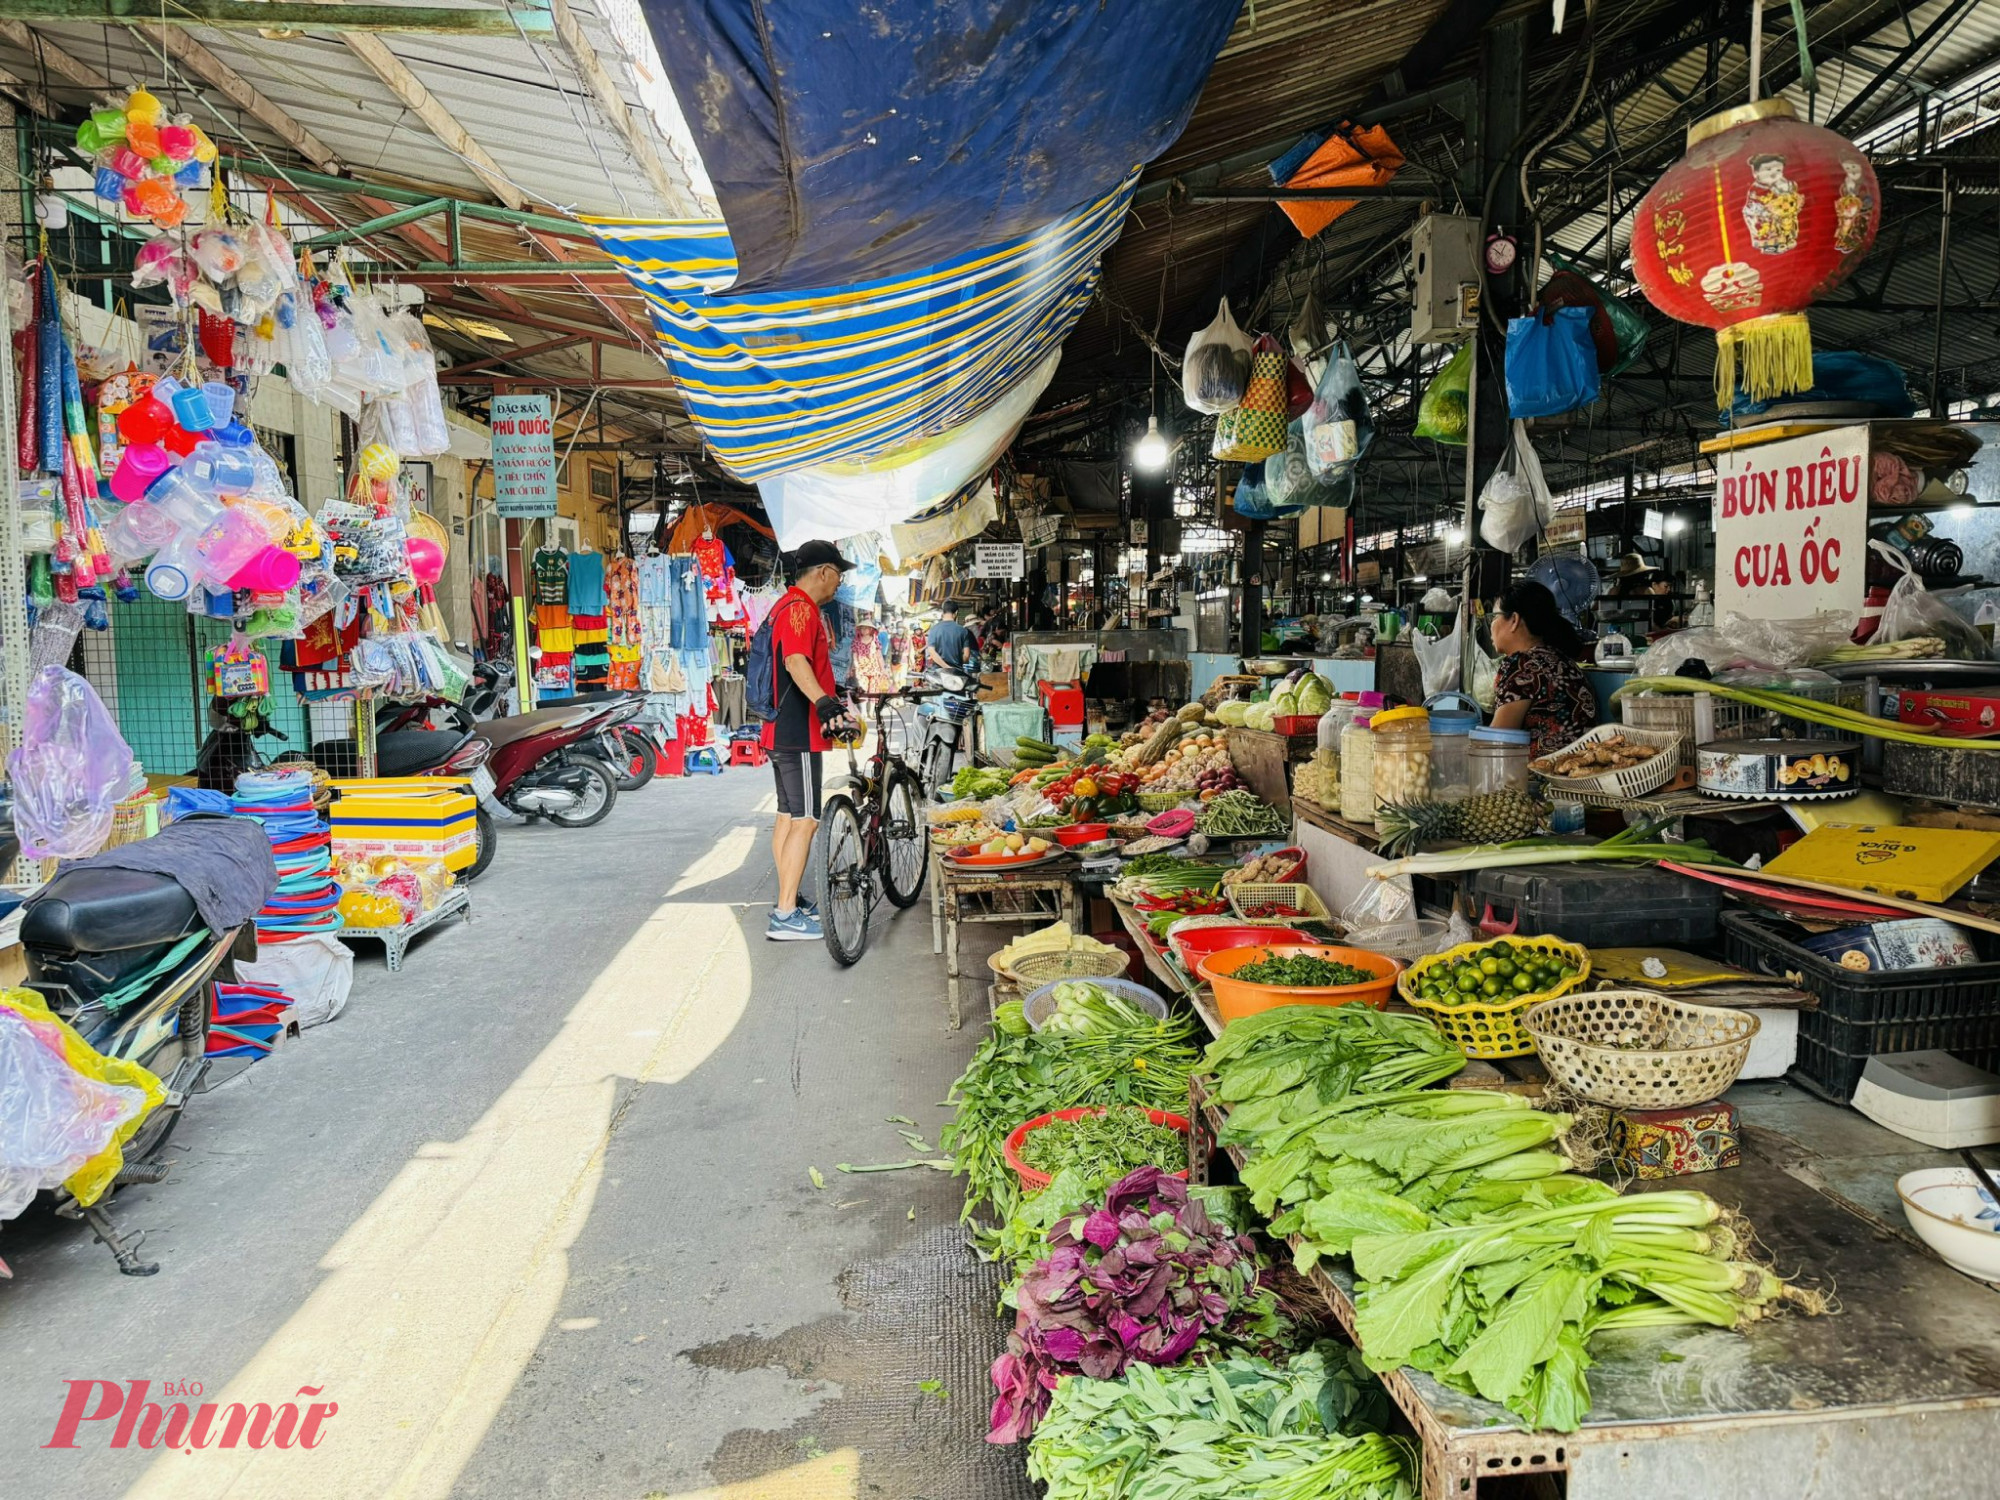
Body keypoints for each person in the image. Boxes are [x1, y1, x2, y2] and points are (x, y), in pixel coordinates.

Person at [762, 540, 857, 942]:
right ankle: (784, 914)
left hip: (778, 728)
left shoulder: (786, 606)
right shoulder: (801, 608)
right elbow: (794, 661)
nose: (839, 582)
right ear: (823, 572)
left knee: (787, 815)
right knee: (806, 820)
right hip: (797, 729)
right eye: (838, 574)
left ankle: (790, 900)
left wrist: (833, 692)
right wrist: (823, 704)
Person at [1489, 581, 1597, 757]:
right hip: (1577, 770)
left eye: (1494, 617)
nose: (1491, 625)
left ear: (1514, 620)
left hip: (1540, 776)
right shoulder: (1561, 660)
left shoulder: (1522, 665)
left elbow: (1497, 740)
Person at [926, 601, 975, 674]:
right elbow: (966, 656)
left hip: (938, 673)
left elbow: (932, 652)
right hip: (956, 673)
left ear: (943, 612)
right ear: (956, 613)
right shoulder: (963, 631)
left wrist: (946, 667)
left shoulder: (934, 629)